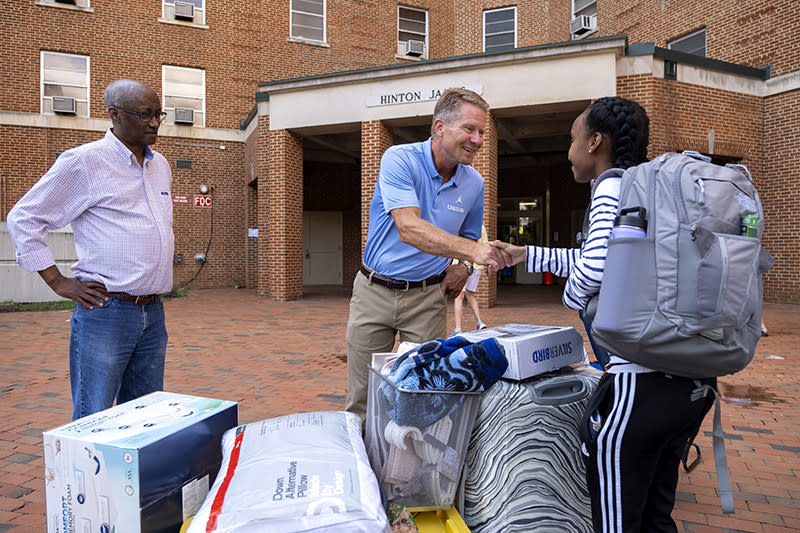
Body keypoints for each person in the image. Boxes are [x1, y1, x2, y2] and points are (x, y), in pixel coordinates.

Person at [491, 97, 715, 532]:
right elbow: (614, 261)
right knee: (655, 515)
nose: (569, 150)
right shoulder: (646, 189)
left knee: (615, 521)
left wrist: (572, 300)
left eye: (573, 139)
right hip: (688, 384)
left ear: (595, 141)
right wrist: (527, 253)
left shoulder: (612, 186)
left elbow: (595, 268)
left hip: (639, 385)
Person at [7, 79, 174, 421]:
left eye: (159, 114)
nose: (155, 123)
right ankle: (87, 476)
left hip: (153, 312)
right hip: (106, 311)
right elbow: (24, 218)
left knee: (146, 414)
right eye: (145, 114)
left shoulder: (161, 166)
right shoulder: (83, 162)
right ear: (114, 114)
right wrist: (57, 281)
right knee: (93, 414)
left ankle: (133, 477)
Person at [345, 88, 509, 423]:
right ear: (439, 127)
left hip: (427, 298)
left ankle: (408, 472)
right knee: (361, 402)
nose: (478, 140)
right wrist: (475, 252)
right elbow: (409, 228)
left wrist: (464, 266)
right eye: (469, 129)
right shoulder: (399, 159)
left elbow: (467, 234)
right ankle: (362, 470)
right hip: (373, 292)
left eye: (482, 132)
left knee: (424, 395)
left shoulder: (474, 182)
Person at [452, 225, 488, 335]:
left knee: (459, 296)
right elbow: (485, 246)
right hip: (477, 265)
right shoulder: (481, 227)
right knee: (470, 294)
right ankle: (479, 322)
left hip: (461, 265)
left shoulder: (460, 224)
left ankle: (458, 329)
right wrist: (486, 265)